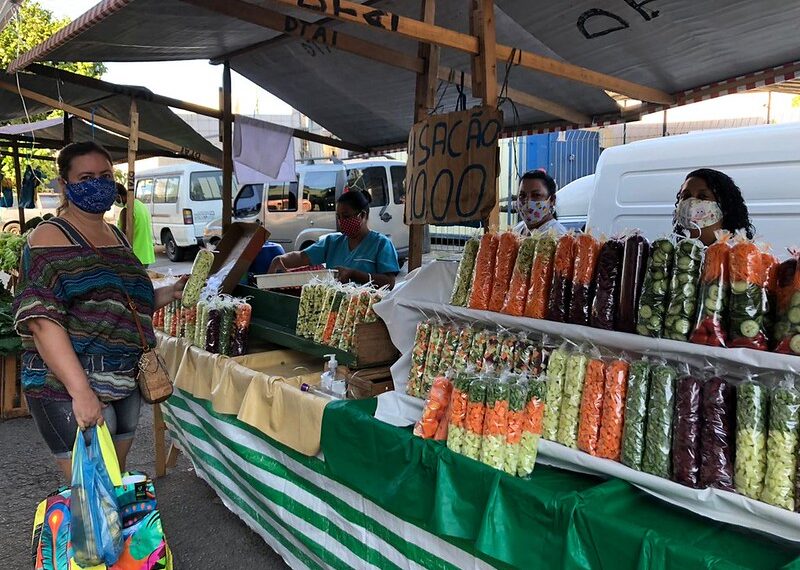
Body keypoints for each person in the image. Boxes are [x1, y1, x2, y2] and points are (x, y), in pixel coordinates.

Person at [13, 141, 186, 480]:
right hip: (70, 384)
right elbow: (41, 322)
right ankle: (93, 536)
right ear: (65, 185)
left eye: (106, 175)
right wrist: (81, 393)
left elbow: (122, 302)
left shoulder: (116, 235)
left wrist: (171, 292)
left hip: (123, 378)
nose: (99, 183)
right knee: (94, 489)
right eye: (86, 176)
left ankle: (113, 535)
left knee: (113, 481)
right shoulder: (49, 236)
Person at [268, 189, 400, 288]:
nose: (341, 221)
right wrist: (280, 259)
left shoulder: (381, 244)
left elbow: (389, 282)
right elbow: (302, 256)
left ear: (362, 215)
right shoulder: (332, 243)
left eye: (346, 216)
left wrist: (355, 274)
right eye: (339, 217)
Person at [673, 168, 755, 247]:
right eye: (686, 196)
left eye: (702, 196)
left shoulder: (742, 255)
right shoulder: (674, 255)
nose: (691, 203)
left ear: (724, 206)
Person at [513, 169, 567, 236]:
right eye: (522, 195)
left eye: (536, 195)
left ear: (552, 200)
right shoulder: (517, 230)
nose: (527, 201)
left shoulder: (558, 236)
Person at [116, 182, 156, 267]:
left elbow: (122, 236)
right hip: (146, 255)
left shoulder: (126, 211)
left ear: (118, 196)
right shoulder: (140, 205)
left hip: (134, 257)